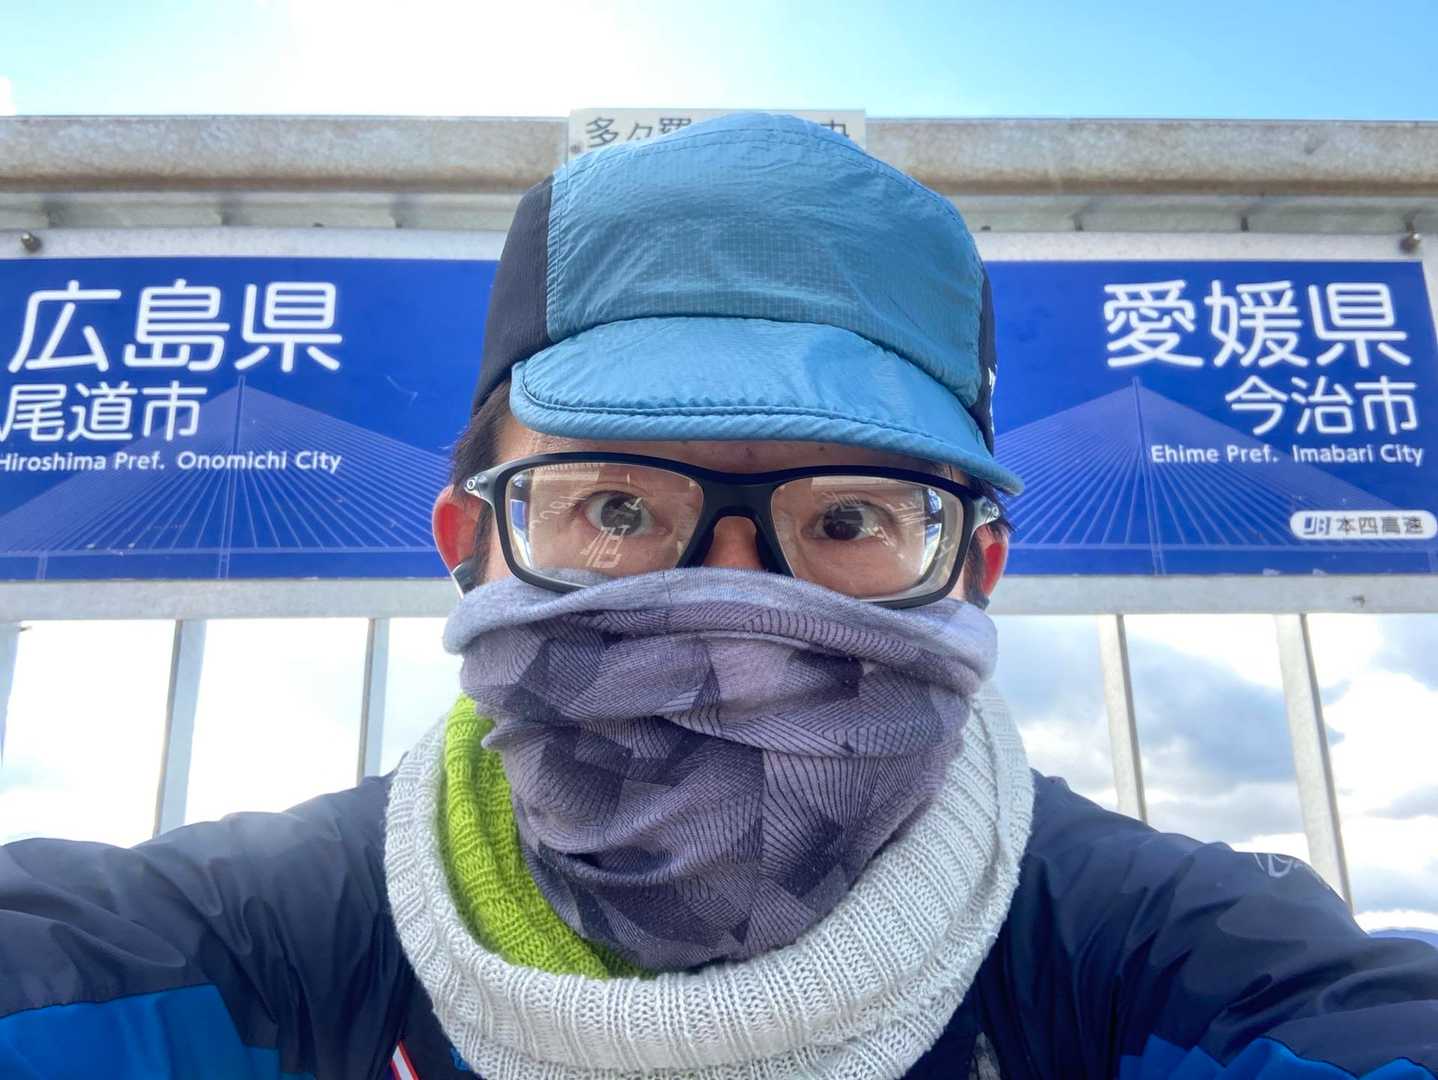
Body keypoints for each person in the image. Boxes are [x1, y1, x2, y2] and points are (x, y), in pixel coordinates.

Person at [1, 112, 1434, 1080]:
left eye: (850, 518)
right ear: (468, 539)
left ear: (977, 570)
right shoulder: (251, 938)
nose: (732, 608)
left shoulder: (1147, 950)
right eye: (618, 507)